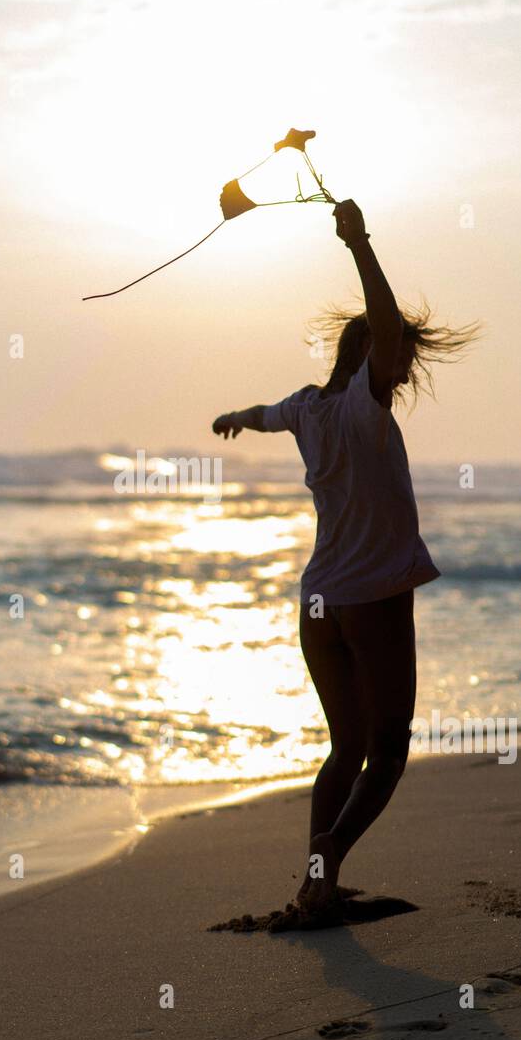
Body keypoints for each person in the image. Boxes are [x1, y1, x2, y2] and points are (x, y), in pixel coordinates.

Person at [212, 198, 478, 922]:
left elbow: (266, 413)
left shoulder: (307, 406)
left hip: (318, 602)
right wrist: (358, 241)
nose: (402, 369)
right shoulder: (364, 403)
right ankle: (327, 856)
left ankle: (317, 883)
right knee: (387, 753)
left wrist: (235, 417)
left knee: (344, 749)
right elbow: (386, 327)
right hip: (370, 598)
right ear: (373, 359)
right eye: (395, 359)